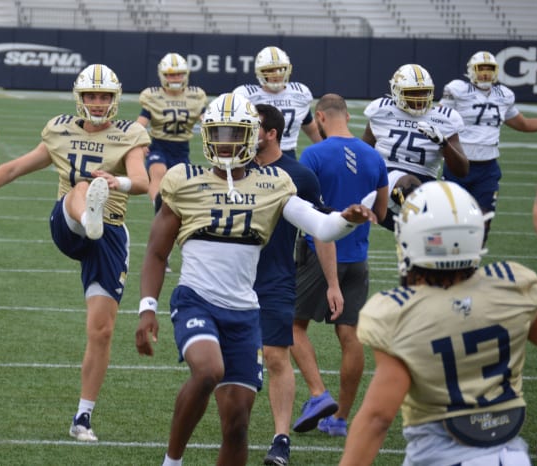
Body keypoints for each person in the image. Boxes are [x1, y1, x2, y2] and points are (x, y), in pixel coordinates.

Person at [134, 93, 376, 466]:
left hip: (245, 311)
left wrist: (348, 217)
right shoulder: (183, 179)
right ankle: (172, 461)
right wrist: (147, 306)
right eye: (219, 132)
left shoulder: (275, 183)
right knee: (208, 370)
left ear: (253, 136)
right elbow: (155, 251)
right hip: (196, 299)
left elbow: (321, 227)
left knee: (237, 423)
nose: (226, 141)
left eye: (235, 133)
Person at [0, 64, 150, 441]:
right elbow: (15, 168)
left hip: (111, 234)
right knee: (81, 188)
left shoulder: (130, 133)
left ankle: (82, 418)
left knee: (101, 330)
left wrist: (114, 180)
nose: (98, 104)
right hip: (68, 224)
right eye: (91, 96)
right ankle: (88, 214)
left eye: (104, 97)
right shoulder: (59, 129)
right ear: (79, 97)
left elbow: (142, 180)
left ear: (115, 99)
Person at [339, 180, 537, 466]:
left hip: (439, 457)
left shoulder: (397, 311)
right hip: (510, 457)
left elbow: (377, 418)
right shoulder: (514, 285)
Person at [290, 93, 388, 438]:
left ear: (320, 117)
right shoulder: (374, 156)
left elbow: (306, 211)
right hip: (358, 258)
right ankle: (341, 418)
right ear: (347, 115)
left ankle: (319, 394)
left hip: (320, 253)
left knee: (291, 325)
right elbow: (382, 212)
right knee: (349, 336)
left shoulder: (313, 154)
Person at [247, 104, 326, 465]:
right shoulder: (234, 169)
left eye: (254, 128)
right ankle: (236, 424)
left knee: (277, 355)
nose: (247, 134)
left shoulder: (300, 176)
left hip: (277, 276)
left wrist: (335, 284)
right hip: (233, 275)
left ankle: (280, 439)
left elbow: (322, 231)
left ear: (272, 133)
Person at [440, 51, 537, 245]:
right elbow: (440, 117)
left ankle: (473, 260)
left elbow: (524, 124)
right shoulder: (458, 90)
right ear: (471, 70)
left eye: (490, 69)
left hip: (487, 168)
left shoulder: (503, 95)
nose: (485, 74)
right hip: (458, 164)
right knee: (451, 218)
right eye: (481, 69)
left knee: (484, 221)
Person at [362, 63, 469, 231]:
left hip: (425, 185)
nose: (419, 98)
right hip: (386, 180)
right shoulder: (382, 111)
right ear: (396, 91)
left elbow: (462, 170)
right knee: (407, 184)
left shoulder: (446, 118)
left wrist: (444, 143)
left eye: (424, 92)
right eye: (412, 93)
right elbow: (363, 154)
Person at [137, 53, 207, 213]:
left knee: (184, 186)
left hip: (182, 150)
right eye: (170, 75)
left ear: (186, 75)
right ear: (162, 76)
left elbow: (207, 121)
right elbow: (140, 124)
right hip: (159, 147)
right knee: (157, 171)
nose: (175, 78)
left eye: (178, 74)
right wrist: (139, 142)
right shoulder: (153, 96)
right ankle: (158, 205)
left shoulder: (195, 96)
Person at [233, 46, 321, 159]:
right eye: (270, 70)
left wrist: (328, 151)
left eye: (280, 69)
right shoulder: (247, 95)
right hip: (255, 155)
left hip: (288, 155)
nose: (276, 74)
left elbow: (312, 129)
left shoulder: (299, 94)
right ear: (260, 72)